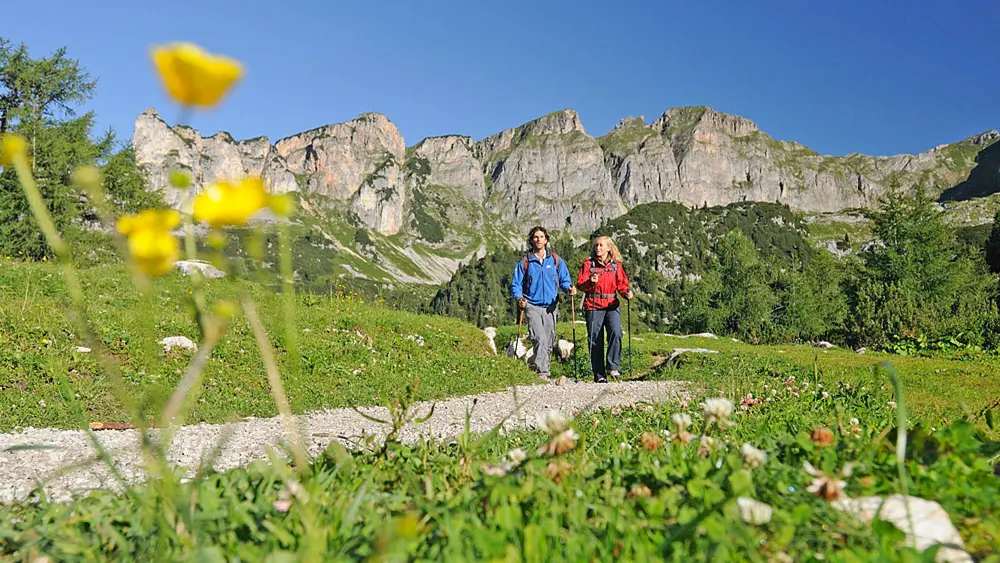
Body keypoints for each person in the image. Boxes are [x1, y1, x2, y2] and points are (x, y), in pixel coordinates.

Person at [510, 226, 576, 380]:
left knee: (549, 339)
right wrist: (519, 298)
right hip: (531, 304)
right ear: (531, 240)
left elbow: (564, 280)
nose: (538, 240)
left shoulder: (555, 260)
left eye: (541, 237)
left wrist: (569, 289)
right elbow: (516, 284)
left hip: (551, 306)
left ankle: (538, 366)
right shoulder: (526, 261)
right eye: (535, 237)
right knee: (539, 337)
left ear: (546, 240)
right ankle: (543, 373)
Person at [576, 235, 633, 383]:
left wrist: (626, 292)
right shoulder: (588, 265)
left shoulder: (615, 266)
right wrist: (590, 281)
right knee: (596, 339)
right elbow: (580, 285)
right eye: (596, 246)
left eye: (601, 245)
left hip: (611, 304)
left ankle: (612, 367)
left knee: (616, 332)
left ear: (609, 248)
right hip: (593, 304)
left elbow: (622, 284)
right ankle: (599, 373)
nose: (598, 248)